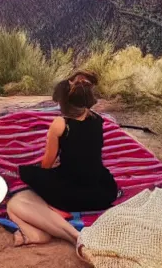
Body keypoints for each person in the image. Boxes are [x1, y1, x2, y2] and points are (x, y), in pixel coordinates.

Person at [7, 71, 119, 246]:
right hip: (100, 193)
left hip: (70, 193)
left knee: (22, 187)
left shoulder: (60, 124)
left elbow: (47, 163)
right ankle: (58, 214)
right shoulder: (98, 120)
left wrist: (40, 176)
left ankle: (61, 225)